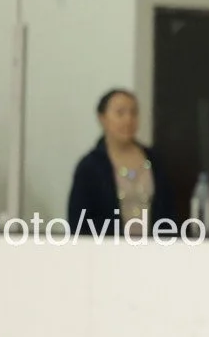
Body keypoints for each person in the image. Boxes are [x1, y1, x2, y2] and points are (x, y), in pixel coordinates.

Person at [68, 89, 177, 236]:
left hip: (154, 247)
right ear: (102, 118)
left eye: (133, 113)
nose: (128, 120)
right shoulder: (90, 167)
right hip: (106, 247)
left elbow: (169, 212)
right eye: (120, 113)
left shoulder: (155, 160)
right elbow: (78, 222)